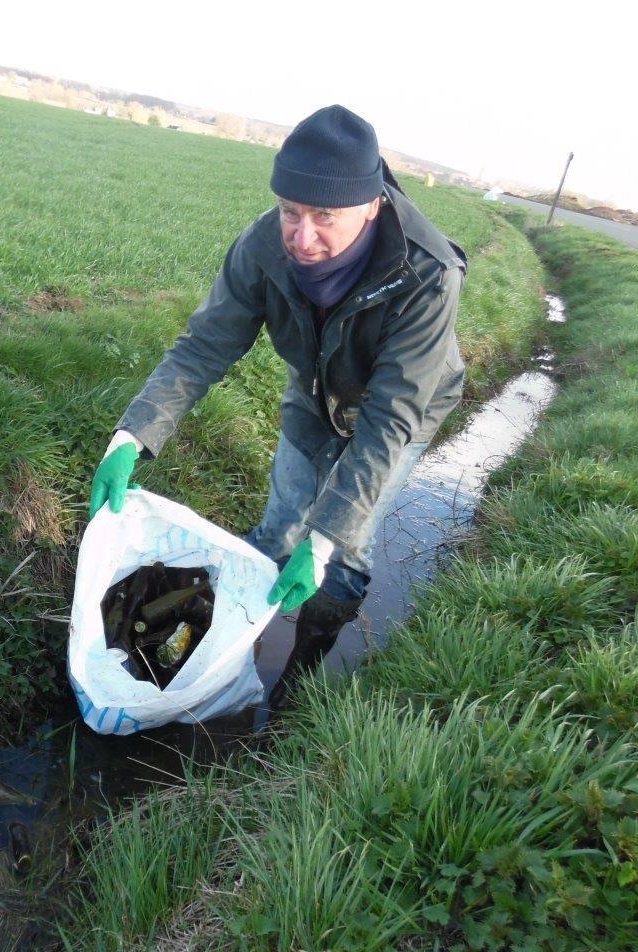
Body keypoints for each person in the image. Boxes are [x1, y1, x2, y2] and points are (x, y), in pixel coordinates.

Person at [87, 105, 468, 703]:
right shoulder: (264, 246)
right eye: (291, 211)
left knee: (344, 549)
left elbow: (387, 422)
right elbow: (201, 348)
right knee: (280, 522)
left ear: (371, 207)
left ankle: (299, 676)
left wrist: (323, 542)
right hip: (316, 391)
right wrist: (130, 438)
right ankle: (226, 646)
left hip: (403, 409)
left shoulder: (427, 274)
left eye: (325, 217)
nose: (303, 235)